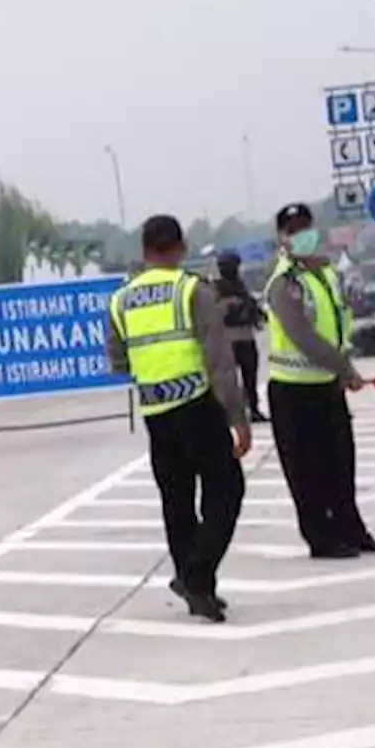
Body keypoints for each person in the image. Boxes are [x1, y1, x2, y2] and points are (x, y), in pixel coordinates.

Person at [106, 214, 250, 623]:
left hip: (156, 411)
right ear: (181, 248)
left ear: (145, 251)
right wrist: (237, 416)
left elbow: (117, 360)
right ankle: (196, 575)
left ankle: (197, 587)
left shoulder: (121, 300)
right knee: (226, 489)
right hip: (197, 405)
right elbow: (219, 359)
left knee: (177, 501)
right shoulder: (192, 291)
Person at [265, 202, 375, 560]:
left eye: (305, 227)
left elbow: (338, 323)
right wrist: (345, 369)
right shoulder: (284, 283)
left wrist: (341, 367)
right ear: (282, 238)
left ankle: (351, 528)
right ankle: (321, 537)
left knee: (340, 461)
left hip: (325, 386)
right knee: (307, 470)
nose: (302, 236)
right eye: (293, 231)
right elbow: (303, 336)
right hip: (293, 389)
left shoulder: (325, 274)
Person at [214, 249, 269, 423]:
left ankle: (251, 409)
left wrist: (254, 313)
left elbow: (253, 309)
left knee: (246, 378)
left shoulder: (238, 287)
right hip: (231, 339)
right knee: (234, 380)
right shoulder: (216, 289)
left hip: (242, 338)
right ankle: (240, 411)